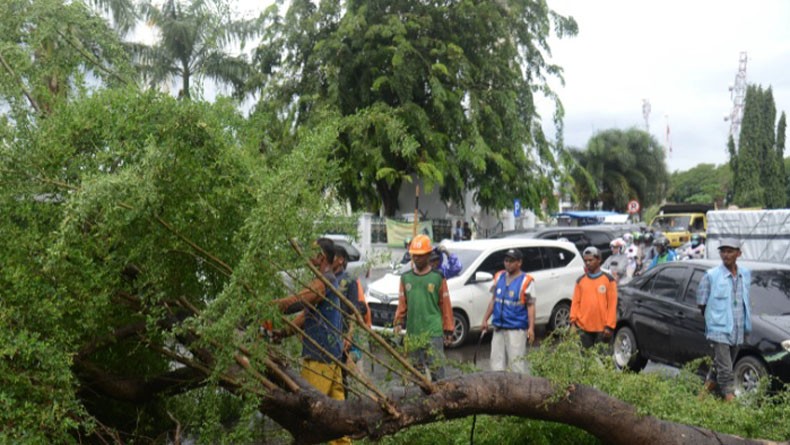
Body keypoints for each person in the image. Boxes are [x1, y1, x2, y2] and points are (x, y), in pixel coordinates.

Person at [273, 238, 350, 445]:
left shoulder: (323, 282)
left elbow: (296, 303)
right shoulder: (326, 281)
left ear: (321, 257)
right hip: (332, 357)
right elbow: (305, 316)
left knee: (310, 416)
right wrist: (283, 333)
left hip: (320, 358)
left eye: (310, 253)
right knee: (339, 420)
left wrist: (266, 306)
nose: (307, 257)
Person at [696, 238, 751, 402]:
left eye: (730, 251)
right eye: (723, 251)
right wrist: (715, 319)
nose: (726, 255)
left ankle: (701, 398)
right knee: (726, 370)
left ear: (738, 254)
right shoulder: (711, 276)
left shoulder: (744, 275)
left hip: (738, 329)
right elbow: (702, 302)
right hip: (719, 330)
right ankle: (729, 402)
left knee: (719, 365)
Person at [393, 234, 454, 381]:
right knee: (415, 374)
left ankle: (439, 396)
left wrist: (448, 328)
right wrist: (398, 322)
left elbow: (445, 305)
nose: (417, 258)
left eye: (420, 255)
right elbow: (402, 304)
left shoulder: (438, 277)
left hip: (433, 332)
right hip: (413, 332)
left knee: (437, 373)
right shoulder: (406, 278)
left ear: (428, 255)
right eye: (414, 255)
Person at [480, 249, 535, 373]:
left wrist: (531, 328)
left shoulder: (526, 281)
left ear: (519, 262)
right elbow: (494, 300)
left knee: (516, 365)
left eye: (511, 261)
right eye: (506, 260)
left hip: (516, 330)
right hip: (498, 328)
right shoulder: (499, 276)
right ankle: (498, 386)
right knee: (496, 364)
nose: (507, 263)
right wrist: (485, 319)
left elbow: (530, 306)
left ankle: (518, 385)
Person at [570, 246, 618, 349]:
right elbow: (575, 303)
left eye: (590, 260)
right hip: (584, 329)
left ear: (599, 260)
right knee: (585, 358)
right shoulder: (580, 281)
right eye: (585, 261)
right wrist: (573, 323)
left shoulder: (609, 280)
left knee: (603, 357)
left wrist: (609, 326)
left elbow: (612, 305)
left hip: (603, 330)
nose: (587, 263)